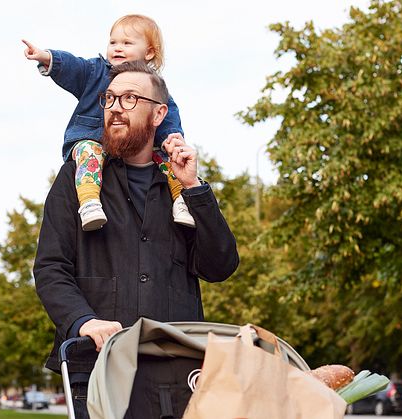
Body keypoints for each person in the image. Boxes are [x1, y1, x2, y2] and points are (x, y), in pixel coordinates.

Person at [34, 61, 239, 419]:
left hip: (178, 371)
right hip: (98, 369)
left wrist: (194, 189)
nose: (115, 107)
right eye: (110, 98)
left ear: (159, 113)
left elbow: (219, 266)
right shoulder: (78, 179)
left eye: (130, 98)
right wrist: (84, 320)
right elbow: (51, 267)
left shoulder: (181, 187)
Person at [22, 14, 196, 231]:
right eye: (113, 42)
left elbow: (169, 117)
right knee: (89, 152)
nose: (117, 48)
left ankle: (181, 198)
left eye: (127, 43)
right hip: (90, 140)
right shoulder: (95, 71)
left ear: (149, 52)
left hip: (133, 148)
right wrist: (48, 57)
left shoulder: (154, 87)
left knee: (167, 156)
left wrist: (172, 140)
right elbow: (73, 66)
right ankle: (89, 202)